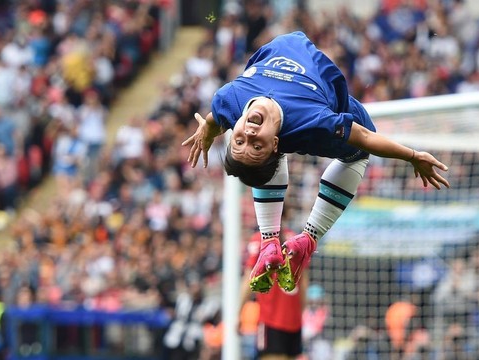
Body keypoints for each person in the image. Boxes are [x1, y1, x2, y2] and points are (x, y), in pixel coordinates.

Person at [183, 31, 450, 293]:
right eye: (256, 144)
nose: (249, 135)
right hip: (340, 117)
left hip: (289, 71)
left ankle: (270, 245)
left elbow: (214, 118)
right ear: (274, 142)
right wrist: (412, 156)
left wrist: (208, 130)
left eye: (239, 141)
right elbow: (366, 136)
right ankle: (308, 238)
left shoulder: (227, 101)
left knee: (260, 162)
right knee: (356, 157)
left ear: (232, 128)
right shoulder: (314, 121)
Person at [240, 227, 307, 360]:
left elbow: (249, 280)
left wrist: (238, 313)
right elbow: (304, 281)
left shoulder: (260, 239)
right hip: (294, 322)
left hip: (270, 320)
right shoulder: (297, 239)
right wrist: (301, 312)